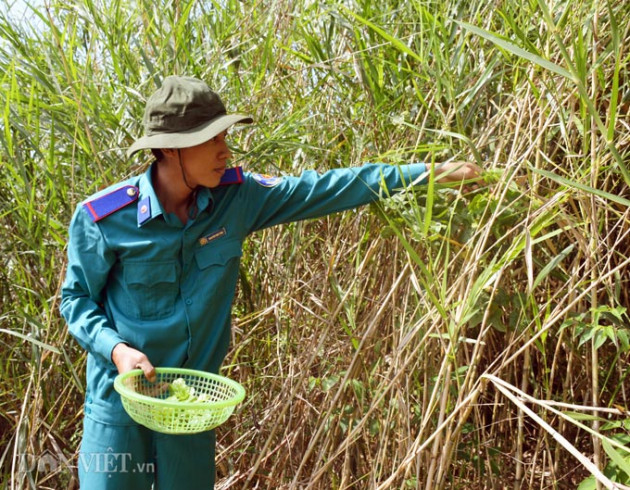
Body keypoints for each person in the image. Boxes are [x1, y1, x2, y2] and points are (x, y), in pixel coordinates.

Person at [60, 75, 482, 489]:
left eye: (224, 137)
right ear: (171, 149)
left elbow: (325, 189)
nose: (225, 151)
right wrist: (116, 350)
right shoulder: (104, 218)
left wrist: (428, 175)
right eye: (211, 140)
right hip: (119, 405)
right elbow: (75, 299)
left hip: (189, 409)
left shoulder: (237, 198)